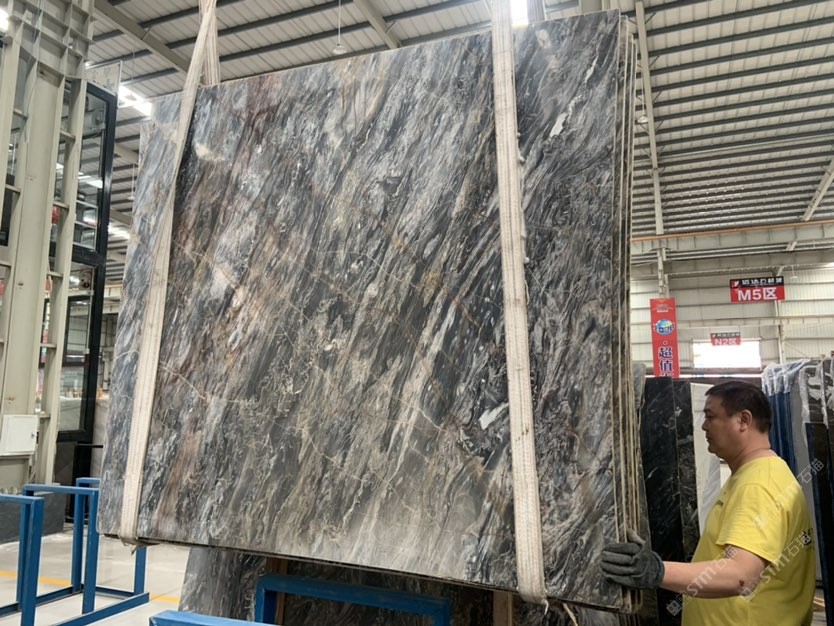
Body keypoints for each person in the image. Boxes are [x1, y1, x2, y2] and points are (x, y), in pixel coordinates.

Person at [601, 380, 816, 625]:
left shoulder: (758, 484)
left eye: (711, 417)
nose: (703, 426)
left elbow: (741, 576)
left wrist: (656, 571)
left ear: (743, 420)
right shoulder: (757, 474)